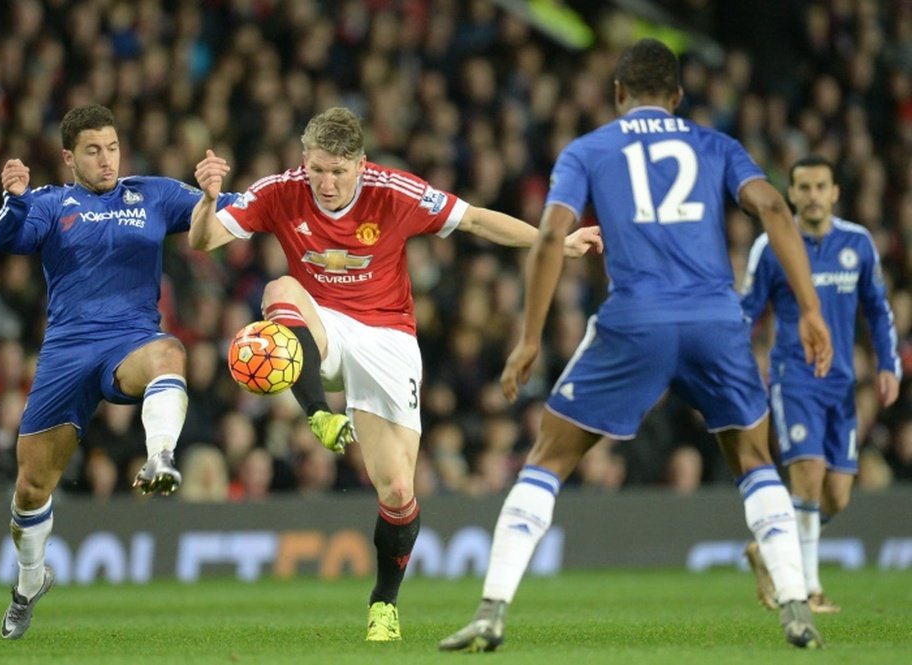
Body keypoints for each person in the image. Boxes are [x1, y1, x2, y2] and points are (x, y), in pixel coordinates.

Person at [437, 38, 834, 653]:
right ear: (677, 97)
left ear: (618, 93)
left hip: (636, 321)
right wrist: (809, 309)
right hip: (714, 320)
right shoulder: (716, 144)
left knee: (548, 457)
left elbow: (549, 238)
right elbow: (775, 210)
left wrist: (530, 337)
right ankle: (794, 607)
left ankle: (491, 609)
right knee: (754, 461)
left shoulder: (588, 149)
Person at [189, 106, 603, 641]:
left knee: (397, 491)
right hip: (322, 328)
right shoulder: (279, 190)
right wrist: (206, 199)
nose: (327, 183)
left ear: (361, 164)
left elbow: (475, 218)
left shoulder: (394, 192)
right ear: (304, 161)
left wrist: (556, 241)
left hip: (387, 337)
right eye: (317, 169)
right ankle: (319, 415)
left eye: (339, 171)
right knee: (278, 291)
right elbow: (203, 242)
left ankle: (383, 604)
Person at [0, 104, 236, 639]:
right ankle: (30, 581)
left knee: (171, 353)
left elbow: (237, 216)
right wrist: (12, 199)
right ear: (68, 157)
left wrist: (216, 193)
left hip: (130, 343)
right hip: (67, 351)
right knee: (32, 487)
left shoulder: (151, 194)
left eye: (113, 147)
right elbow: (8, 239)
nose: (107, 160)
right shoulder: (50, 204)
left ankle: (160, 458)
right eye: (93, 150)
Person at [740, 155, 900, 614]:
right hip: (794, 377)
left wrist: (888, 364)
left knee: (837, 494)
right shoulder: (771, 246)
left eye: (820, 187)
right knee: (807, 475)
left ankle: (769, 547)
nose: (812, 196)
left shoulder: (858, 243)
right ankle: (809, 588)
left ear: (834, 193)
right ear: (790, 194)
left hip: (842, 382)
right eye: (803, 187)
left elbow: (878, 309)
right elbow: (747, 312)